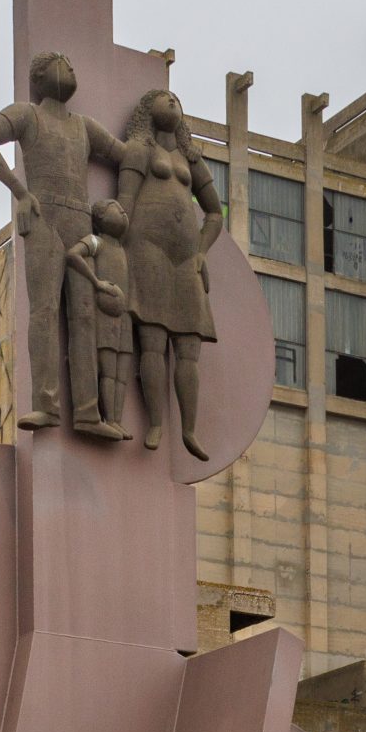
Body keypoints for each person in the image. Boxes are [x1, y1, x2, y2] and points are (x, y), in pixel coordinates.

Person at [0, 52, 129, 440]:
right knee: (44, 310)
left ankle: (89, 413)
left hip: (79, 219)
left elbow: (125, 157)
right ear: (41, 76)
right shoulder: (27, 115)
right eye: (62, 63)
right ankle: (47, 404)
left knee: (85, 315)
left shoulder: (84, 127)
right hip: (43, 219)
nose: (71, 68)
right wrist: (19, 191)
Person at [115, 88, 225, 460]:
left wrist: (200, 252)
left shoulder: (191, 159)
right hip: (147, 251)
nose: (173, 102)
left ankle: (189, 430)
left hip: (185, 259)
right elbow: (125, 202)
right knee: (153, 341)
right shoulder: (138, 150)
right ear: (148, 109)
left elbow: (214, 213)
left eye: (177, 98)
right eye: (165, 99)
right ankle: (156, 423)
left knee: (188, 348)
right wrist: (117, 246)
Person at [67, 199, 134, 442]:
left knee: (121, 373)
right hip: (105, 315)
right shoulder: (97, 242)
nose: (123, 211)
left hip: (124, 316)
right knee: (108, 370)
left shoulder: (124, 249)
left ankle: (117, 419)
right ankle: (110, 419)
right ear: (101, 217)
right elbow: (73, 254)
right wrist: (96, 283)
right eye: (116, 208)